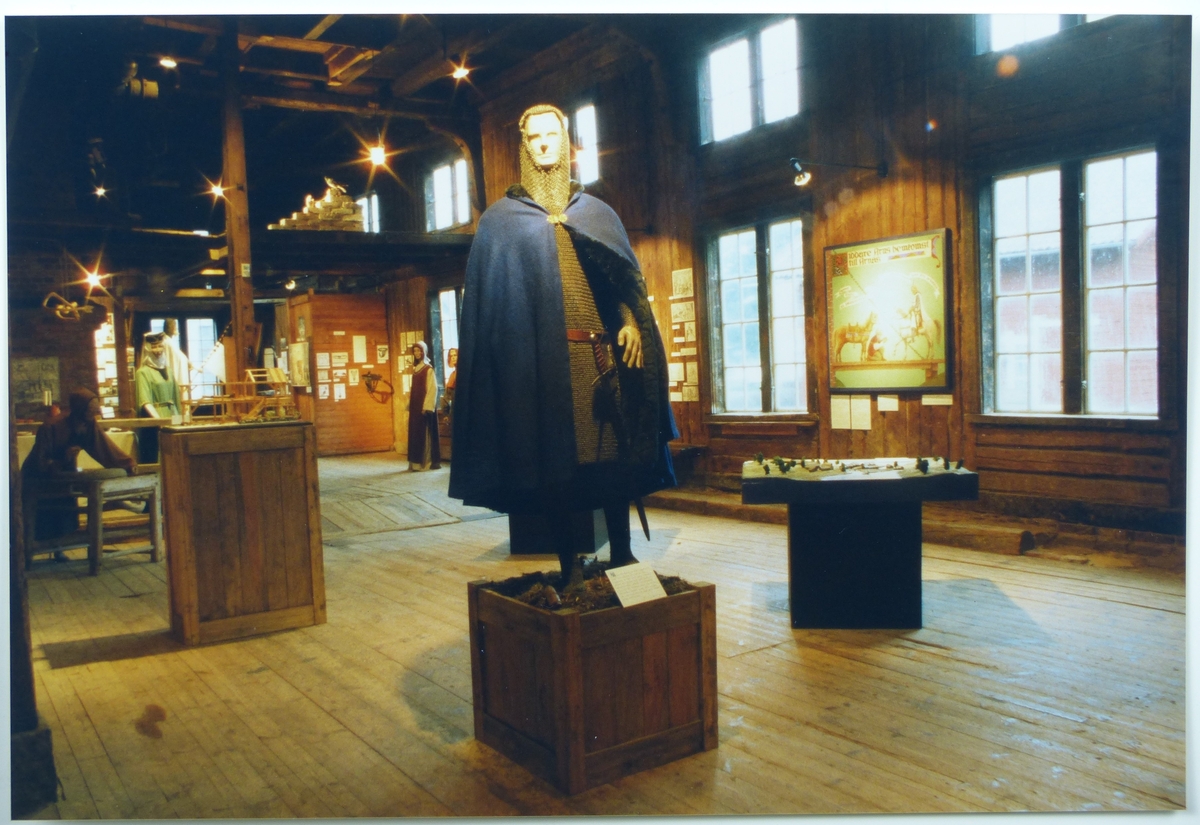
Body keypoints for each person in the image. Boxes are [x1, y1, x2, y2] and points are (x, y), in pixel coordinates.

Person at [448, 102, 676, 584]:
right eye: (535, 137)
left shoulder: (596, 213)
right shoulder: (501, 222)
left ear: (565, 139)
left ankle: (622, 555)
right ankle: (570, 564)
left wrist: (631, 322)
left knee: (611, 459)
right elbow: (496, 313)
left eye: (551, 134)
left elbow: (619, 284)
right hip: (541, 366)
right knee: (556, 467)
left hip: (600, 358)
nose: (544, 144)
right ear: (524, 145)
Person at [22, 388, 136, 541]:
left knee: (65, 520)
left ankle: (61, 547)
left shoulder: (87, 424)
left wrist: (127, 464)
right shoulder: (51, 427)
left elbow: (103, 447)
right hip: (41, 477)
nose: (92, 417)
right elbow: (40, 461)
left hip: (65, 475)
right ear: (79, 410)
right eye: (89, 412)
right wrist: (62, 460)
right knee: (46, 520)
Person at [134, 331, 181, 463]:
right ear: (148, 349)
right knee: (158, 457)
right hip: (155, 419)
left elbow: (176, 398)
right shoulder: (142, 373)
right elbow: (145, 402)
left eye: (160, 346)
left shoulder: (169, 370)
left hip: (172, 415)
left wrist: (179, 420)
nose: (158, 350)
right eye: (154, 347)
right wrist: (159, 422)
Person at [407, 341, 441, 471]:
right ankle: (415, 463)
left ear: (424, 352)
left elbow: (433, 388)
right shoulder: (416, 369)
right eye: (415, 351)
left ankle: (425, 462)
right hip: (415, 406)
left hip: (423, 406)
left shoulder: (428, 369)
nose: (417, 353)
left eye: (419, 351)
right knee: (415, 433)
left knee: (423, 432)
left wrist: (427, 406)